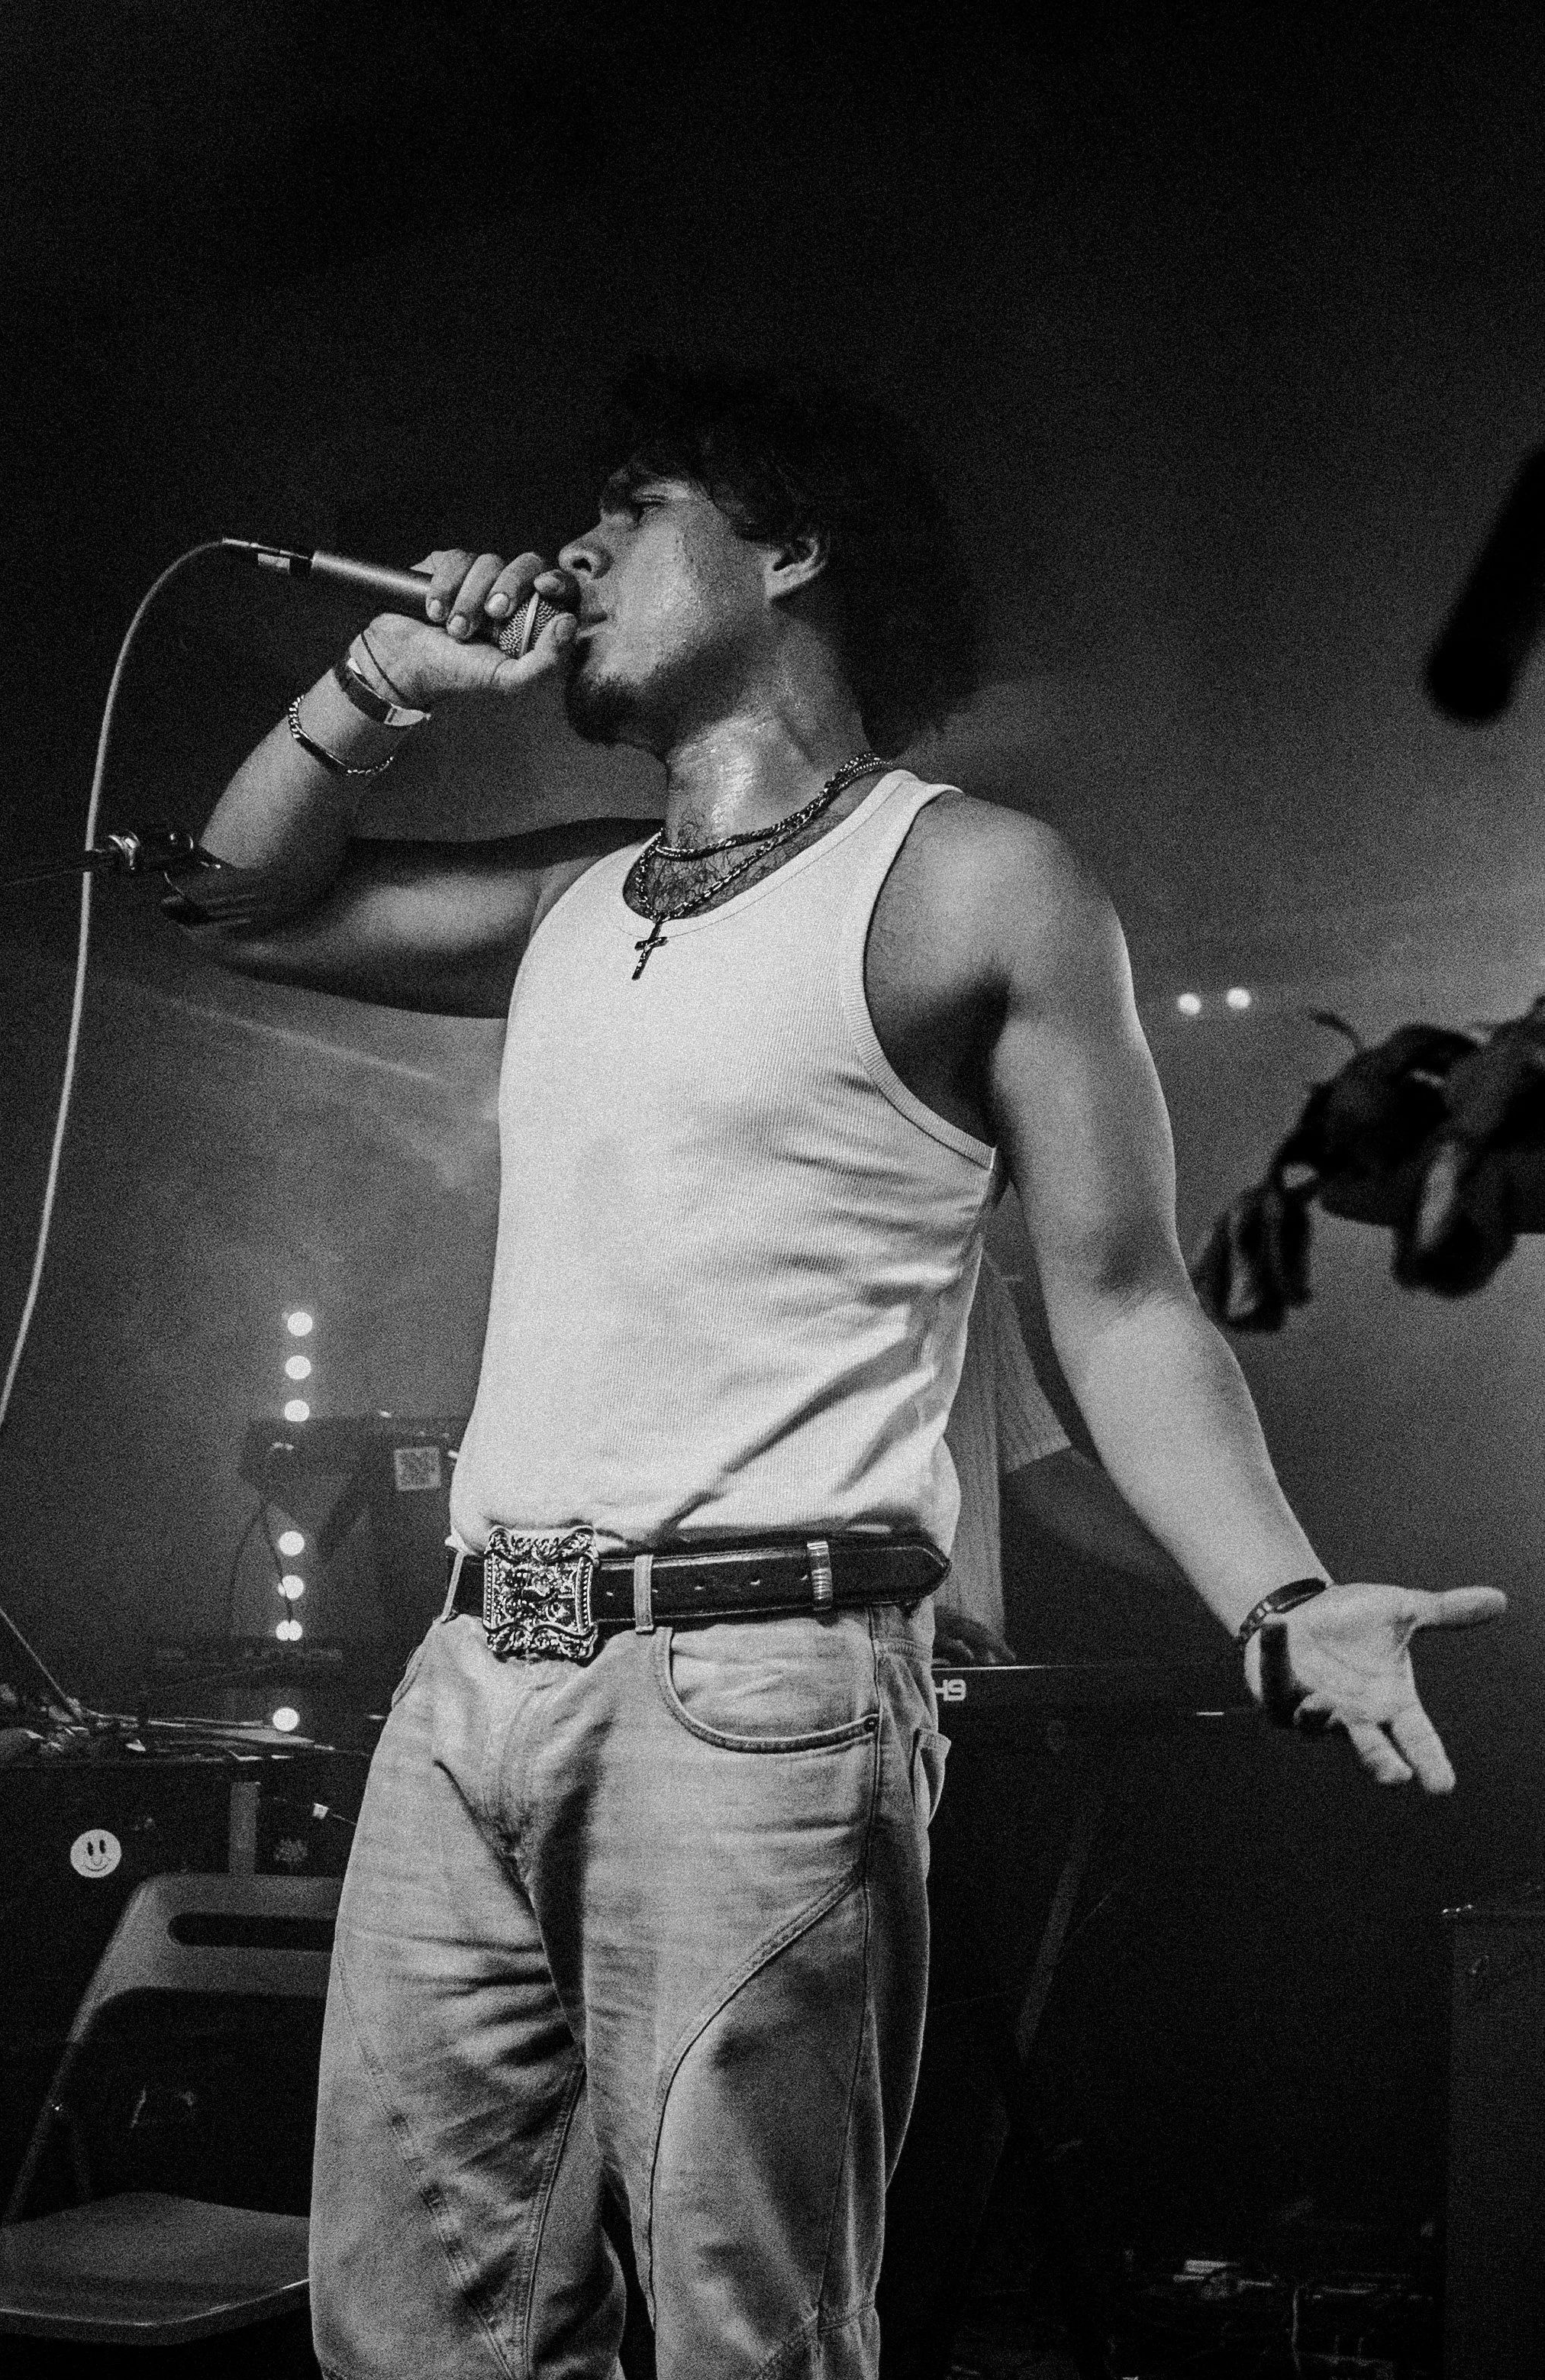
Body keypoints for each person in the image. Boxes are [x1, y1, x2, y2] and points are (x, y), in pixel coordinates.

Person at [173, 360, 1503, 2380]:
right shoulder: (567, 892)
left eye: (635, 508)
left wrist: (1283, 1597)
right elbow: (228, 903)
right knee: (416, 2332)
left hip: (758, 1688)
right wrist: (372, 688)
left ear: (785, 549)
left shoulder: (973, 878)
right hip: (467, 1677)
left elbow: (1128, 1295)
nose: (577, 549)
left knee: (746, 2331)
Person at [936, 1252, 1186, 1659]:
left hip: (974, 1660)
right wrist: (888, 1620)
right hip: (841, 1658)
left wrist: (1233, 1579)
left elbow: (1047, 1471)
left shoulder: (977, 1278)